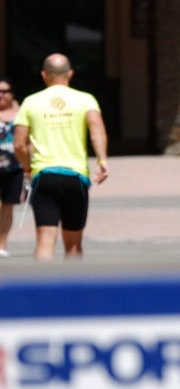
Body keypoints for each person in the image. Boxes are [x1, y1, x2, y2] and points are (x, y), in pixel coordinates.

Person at [13, 54, 109, 261]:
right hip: (76, 177)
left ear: (43, 75)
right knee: (73, 244)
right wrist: (102, 161)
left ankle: (41, 291)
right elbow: (97, 129)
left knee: (45, 240)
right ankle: (73, 291)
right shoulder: (86, 99)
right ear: (70, 73)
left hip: (44, 176)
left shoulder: (31, 102)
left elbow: (19, 144)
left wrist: (28, 167)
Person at [0, 78, 22, 257]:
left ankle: (2, 244)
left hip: (14, 168)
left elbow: (28, 142)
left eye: (5, 91)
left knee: (8, 207)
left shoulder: (21, 114)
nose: (1, 95)